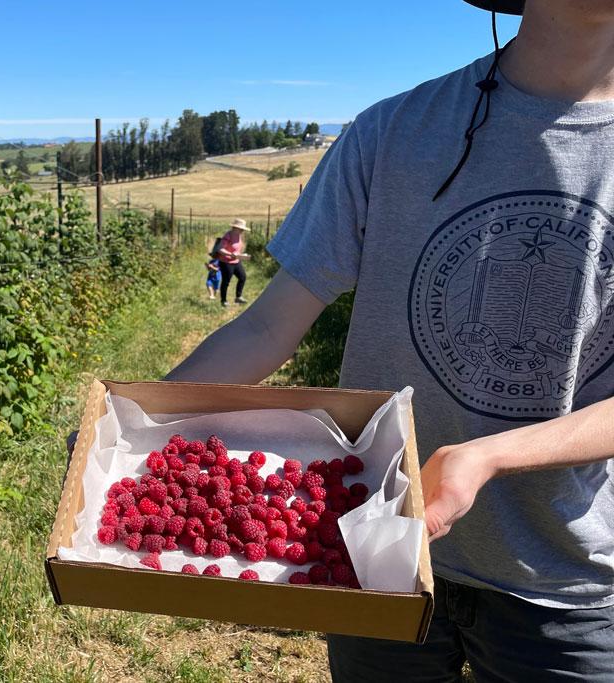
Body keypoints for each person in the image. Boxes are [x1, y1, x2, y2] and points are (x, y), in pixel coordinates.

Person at [161, 1, 614, 680]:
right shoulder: (393, 132)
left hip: (565, 580)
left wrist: (487, 456)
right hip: (376, 546)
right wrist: (141, 413)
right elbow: (268, 322)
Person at [214, 218, 251, 307]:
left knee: (242, 277)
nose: (242, 230)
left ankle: (238, 297)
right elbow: (220, 249)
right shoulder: (228, 236)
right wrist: (231, 254)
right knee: (226, 281)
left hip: (236, 261)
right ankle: (223, 300)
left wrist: (241, 255)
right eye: (241, 229)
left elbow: (236, 249)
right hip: (225, 262)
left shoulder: (239, 236)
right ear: (235, 228)